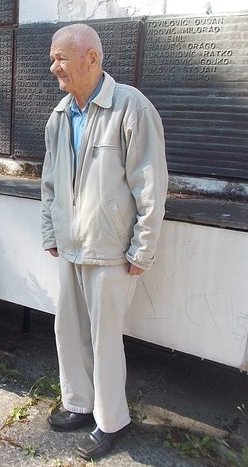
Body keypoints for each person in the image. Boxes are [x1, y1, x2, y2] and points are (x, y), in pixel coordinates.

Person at [41, 23, 168, 461]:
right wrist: (50, 231)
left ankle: (111, 421)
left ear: (91, 58)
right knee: (68, 330)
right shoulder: (59, 115)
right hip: (70, 245)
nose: (54, 66)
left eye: (61, 58)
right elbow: (49, 183)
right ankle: (78, 403)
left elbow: (150, 184)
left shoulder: (131, 107)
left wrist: (143, 248)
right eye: (53, 58)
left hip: (111, 250)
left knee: (105, 339)